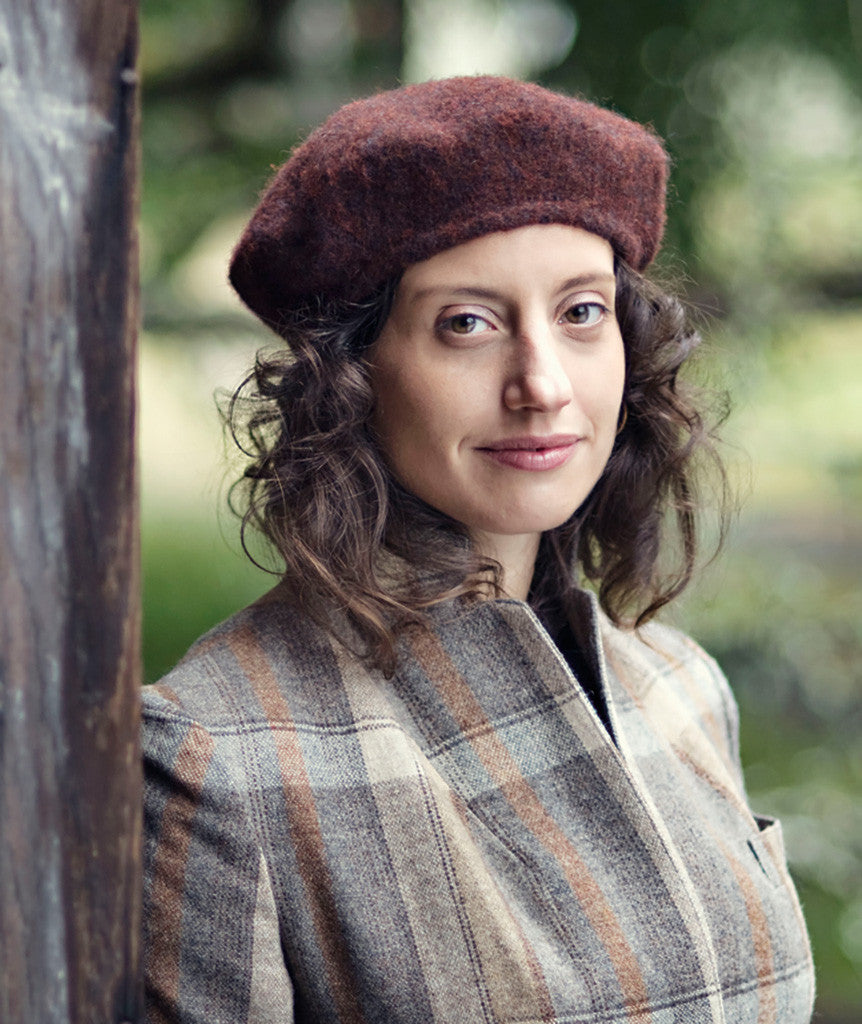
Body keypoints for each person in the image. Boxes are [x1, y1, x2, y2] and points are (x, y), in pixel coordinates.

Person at [141, 76, 814, 1024]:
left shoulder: (682, 687)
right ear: (351, 374)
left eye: (581, 313)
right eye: (469, 324)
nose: (541, 383)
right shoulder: (217, 757)